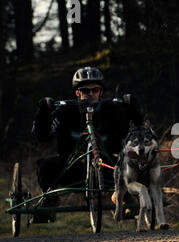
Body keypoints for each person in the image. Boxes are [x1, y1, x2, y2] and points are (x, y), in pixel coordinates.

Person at [32, 67, 143, 221]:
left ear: (101, 92)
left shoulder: (111, 109)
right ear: (77, 93)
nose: (90, 94)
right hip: (70, 168)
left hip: (107, 167)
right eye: (85, 90)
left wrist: (131, 106)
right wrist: (43, 111)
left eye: (95, 90)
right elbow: (43, 135)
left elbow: (135, 126)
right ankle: (50, 199)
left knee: (132, 162)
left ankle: (124, 195)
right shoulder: (64, 110)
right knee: (44, 165)